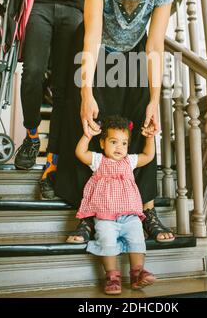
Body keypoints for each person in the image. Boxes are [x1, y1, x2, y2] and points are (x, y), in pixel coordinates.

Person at [54, 0, 176, 244]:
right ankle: (88, 213)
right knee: (93, 124)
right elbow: (91, 35)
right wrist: (86, 92)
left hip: (135, 51)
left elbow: (154, 44)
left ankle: (146, 208)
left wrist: (153, 99)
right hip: (98, 50)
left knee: (144, 122)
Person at [10, 0, 98, 200]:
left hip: (74, 14)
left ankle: (52, 164)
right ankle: (32, 137)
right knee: (32, 72)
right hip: (42, 6)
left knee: (64, 90)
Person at [76, 115, 156, 295]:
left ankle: (137, 273)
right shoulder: (98, 161)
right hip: (105, 217)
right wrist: (87, 136)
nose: (119, 147)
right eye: (113, 142)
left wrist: (149, 137)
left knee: (137, 240)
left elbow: (148, 155)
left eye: (124, 143)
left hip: (130, 216)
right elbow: (81, 153)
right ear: (103, 143)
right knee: (107, 242)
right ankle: (112, 277)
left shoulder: (130, 161)